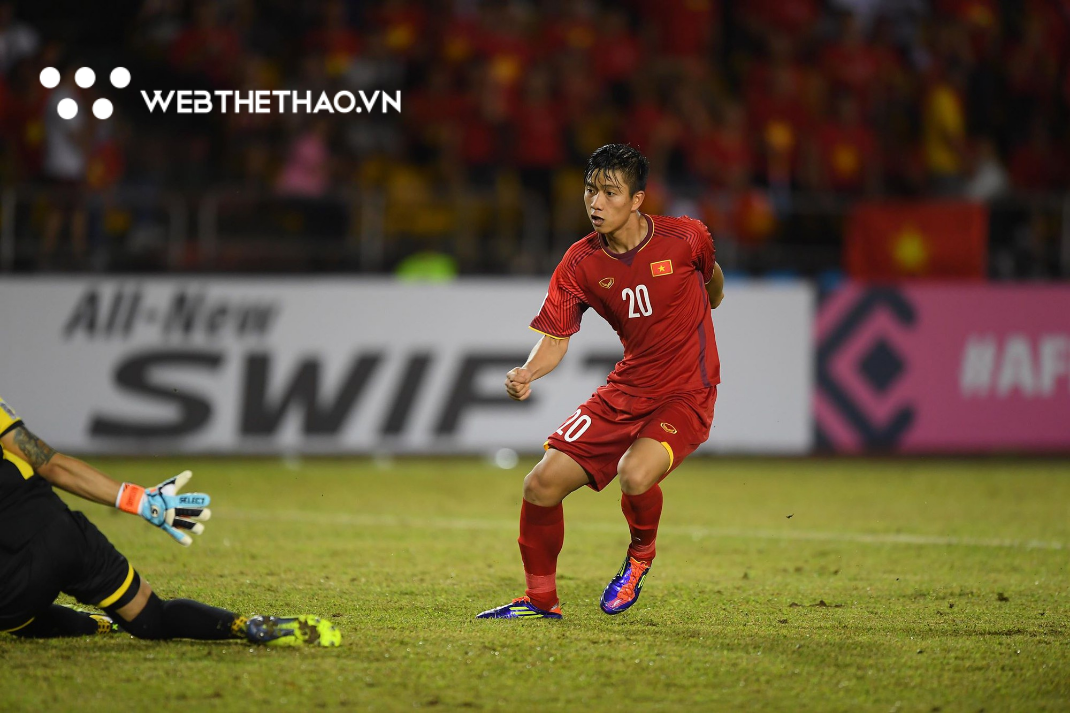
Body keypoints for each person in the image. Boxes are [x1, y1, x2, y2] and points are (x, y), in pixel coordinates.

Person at [477, 144, 724, 619]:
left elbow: (712, 279)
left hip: (686, 391)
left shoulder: (686, 237)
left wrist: (708, 306)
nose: (596, 203)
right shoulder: (580, 263)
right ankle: (539, 600)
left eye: (610, 192)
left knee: (635, 474)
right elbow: (555, 338)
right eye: (590, 190)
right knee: (540, 485)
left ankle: (639, 558)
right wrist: (528, 371)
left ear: (637, 200)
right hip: (627, 389)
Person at [0, 395, 341, 646]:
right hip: (60, 531)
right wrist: (140, 500)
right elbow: (51, 464)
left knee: (19, 619)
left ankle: (96, 625)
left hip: (10, 580)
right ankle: (246, 626)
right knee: (153, 618)